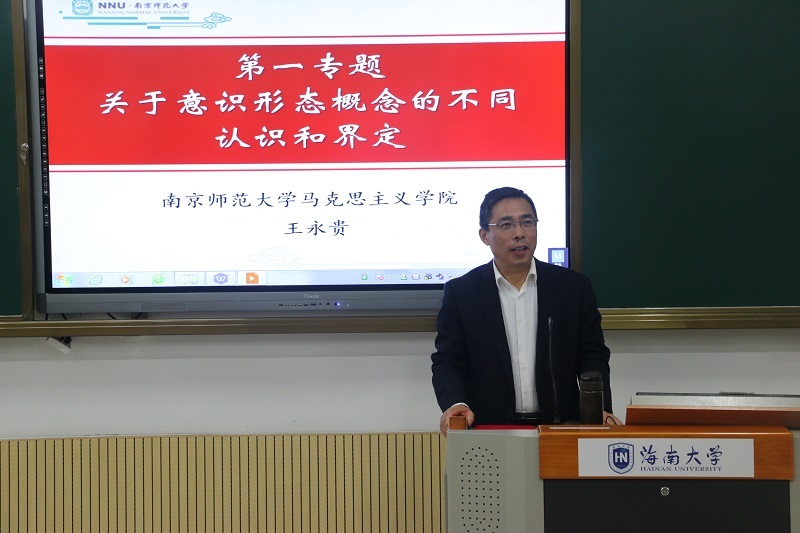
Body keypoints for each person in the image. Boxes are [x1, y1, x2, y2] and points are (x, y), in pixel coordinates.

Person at [431, 186, 620, 435]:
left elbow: (592, 355)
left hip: (562, 426)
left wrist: (598, 408)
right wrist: (456, 403)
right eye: (506, 225)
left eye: (527, 222)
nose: (519, 233)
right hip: (490, 427)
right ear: (485, 235)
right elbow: (448, 360)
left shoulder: (572, 288)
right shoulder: (462, 293)